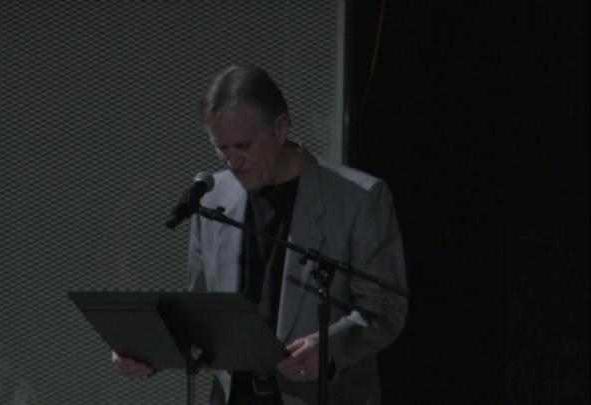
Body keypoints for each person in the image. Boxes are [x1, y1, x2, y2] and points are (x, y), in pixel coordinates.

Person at [113, 65, 408, 405]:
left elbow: (386, 307)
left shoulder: (359, 198)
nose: (232, 161)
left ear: (281, 127)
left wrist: (330, 347)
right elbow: (201, 314)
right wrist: (147, 351)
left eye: (243, 146)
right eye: (221, 148)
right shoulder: (210, 198)